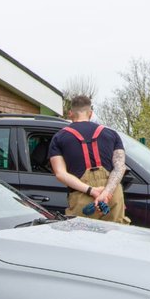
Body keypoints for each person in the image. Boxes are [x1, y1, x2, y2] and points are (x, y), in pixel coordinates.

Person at [48, 95, 129, 224]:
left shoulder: (59, 137)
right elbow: (120, 167)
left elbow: (60, 173)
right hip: (111, 196)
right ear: (90, 113)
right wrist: (105, 193)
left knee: (81, 239)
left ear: (70, 114)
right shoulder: (111, 134)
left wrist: (91, 191)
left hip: (82, 197)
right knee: (114, 238)